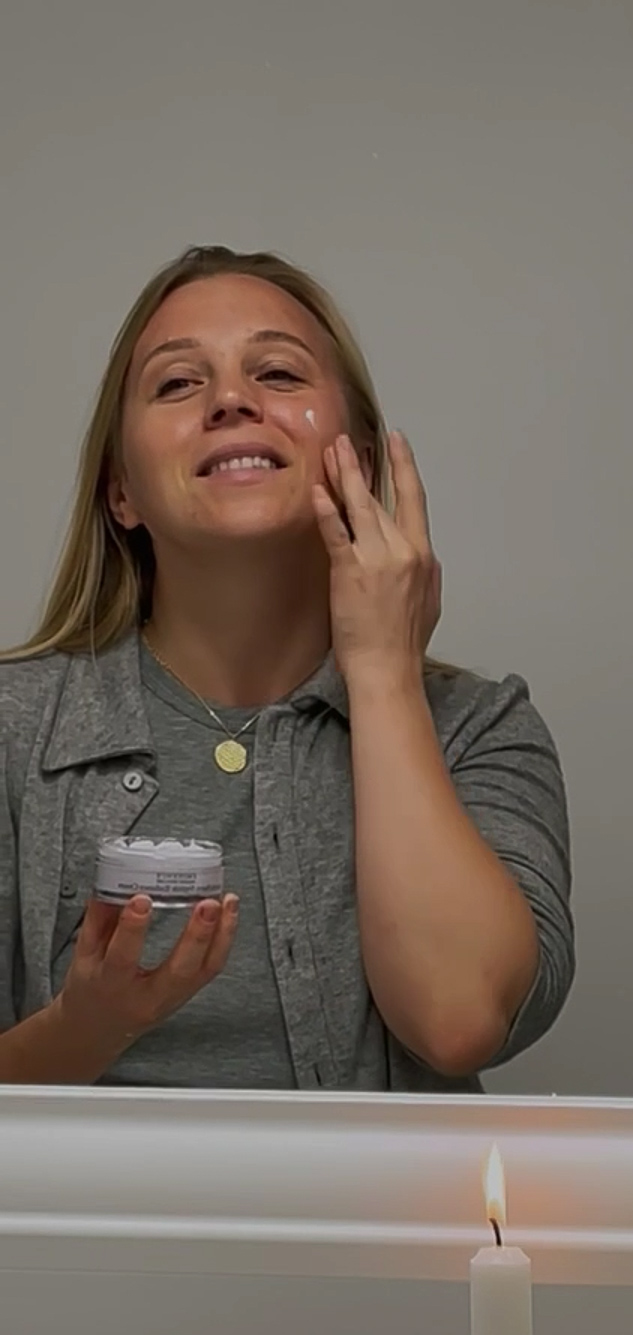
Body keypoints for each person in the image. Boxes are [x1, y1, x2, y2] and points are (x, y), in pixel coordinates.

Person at [0, 246, 574, 1090]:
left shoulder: (481, 729)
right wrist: (83, 1031)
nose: (232, 400)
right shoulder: (13, 735)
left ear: (363, 463)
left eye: (277, 372)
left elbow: (460, 1020)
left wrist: (381, 674)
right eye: (176, 384)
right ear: (121, 489)